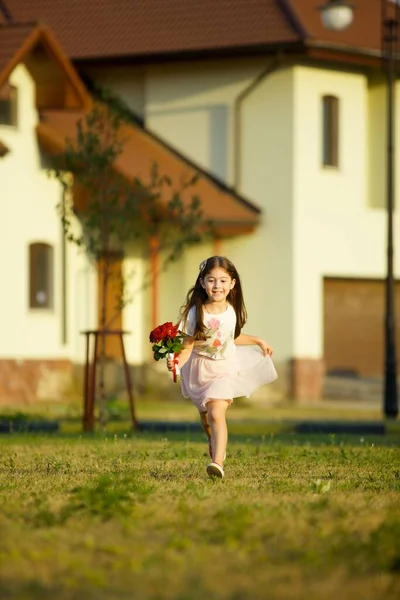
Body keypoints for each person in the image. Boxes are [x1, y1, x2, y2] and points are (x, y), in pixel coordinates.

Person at [167, 255, 277, 479]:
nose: (217, 286)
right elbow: (187, 347)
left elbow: (229, 338)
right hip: (200, 369)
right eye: (211, 280)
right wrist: (176, 362)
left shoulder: (232, 311)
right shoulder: (194, 314)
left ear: (232, 283)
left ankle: (217, 463)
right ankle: (212, 441)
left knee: (217, 412)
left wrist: (257, 340)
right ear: (202, 282)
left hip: (225, 368)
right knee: (207, 418)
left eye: (223, 281)